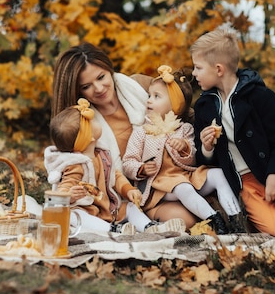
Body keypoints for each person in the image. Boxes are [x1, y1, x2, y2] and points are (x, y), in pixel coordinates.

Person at [190, 25, 275, 236]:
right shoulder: (204, 107)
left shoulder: (260, 96)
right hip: (246, 185)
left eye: (198, 67)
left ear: (219, 69)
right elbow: (206, 161)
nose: (194, 73)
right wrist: (206, 148)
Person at [51, 42, 199, 228]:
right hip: (120, 199)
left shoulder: (140, 86)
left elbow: (182, 110)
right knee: (183, 220)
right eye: (87, 86)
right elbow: (73, 171)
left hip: (162, 183)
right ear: (77, 91)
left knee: (190, 217)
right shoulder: (80, 124)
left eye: (101, 77)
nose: (98, 88)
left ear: (108, 69)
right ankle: (136, 227)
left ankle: (143, 225)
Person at [122, 65, 244, 234]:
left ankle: (236, 219)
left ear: (175, 105)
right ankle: (214, 221)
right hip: (159, 185)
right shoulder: (142, 132)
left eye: (156, 96)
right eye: (150, 95)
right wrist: (140, 169)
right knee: (182, 187)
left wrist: (184, 148)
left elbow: (193, 158)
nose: (149, 100)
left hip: (186, 176)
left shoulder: (184, 128)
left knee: (218, 174)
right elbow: (127, 161)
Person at [44, 98, 186, 234]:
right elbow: (60, 193)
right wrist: (69, 196)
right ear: (89, 136)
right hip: (89, 211)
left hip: (108, 209)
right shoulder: (75, 165)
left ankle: (149, 227)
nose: (96, 120)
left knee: (129, 207)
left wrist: (128, 190)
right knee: (76, 215)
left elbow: (116, 176)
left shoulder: (101, 154)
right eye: (92, 121)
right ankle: (112, 230)